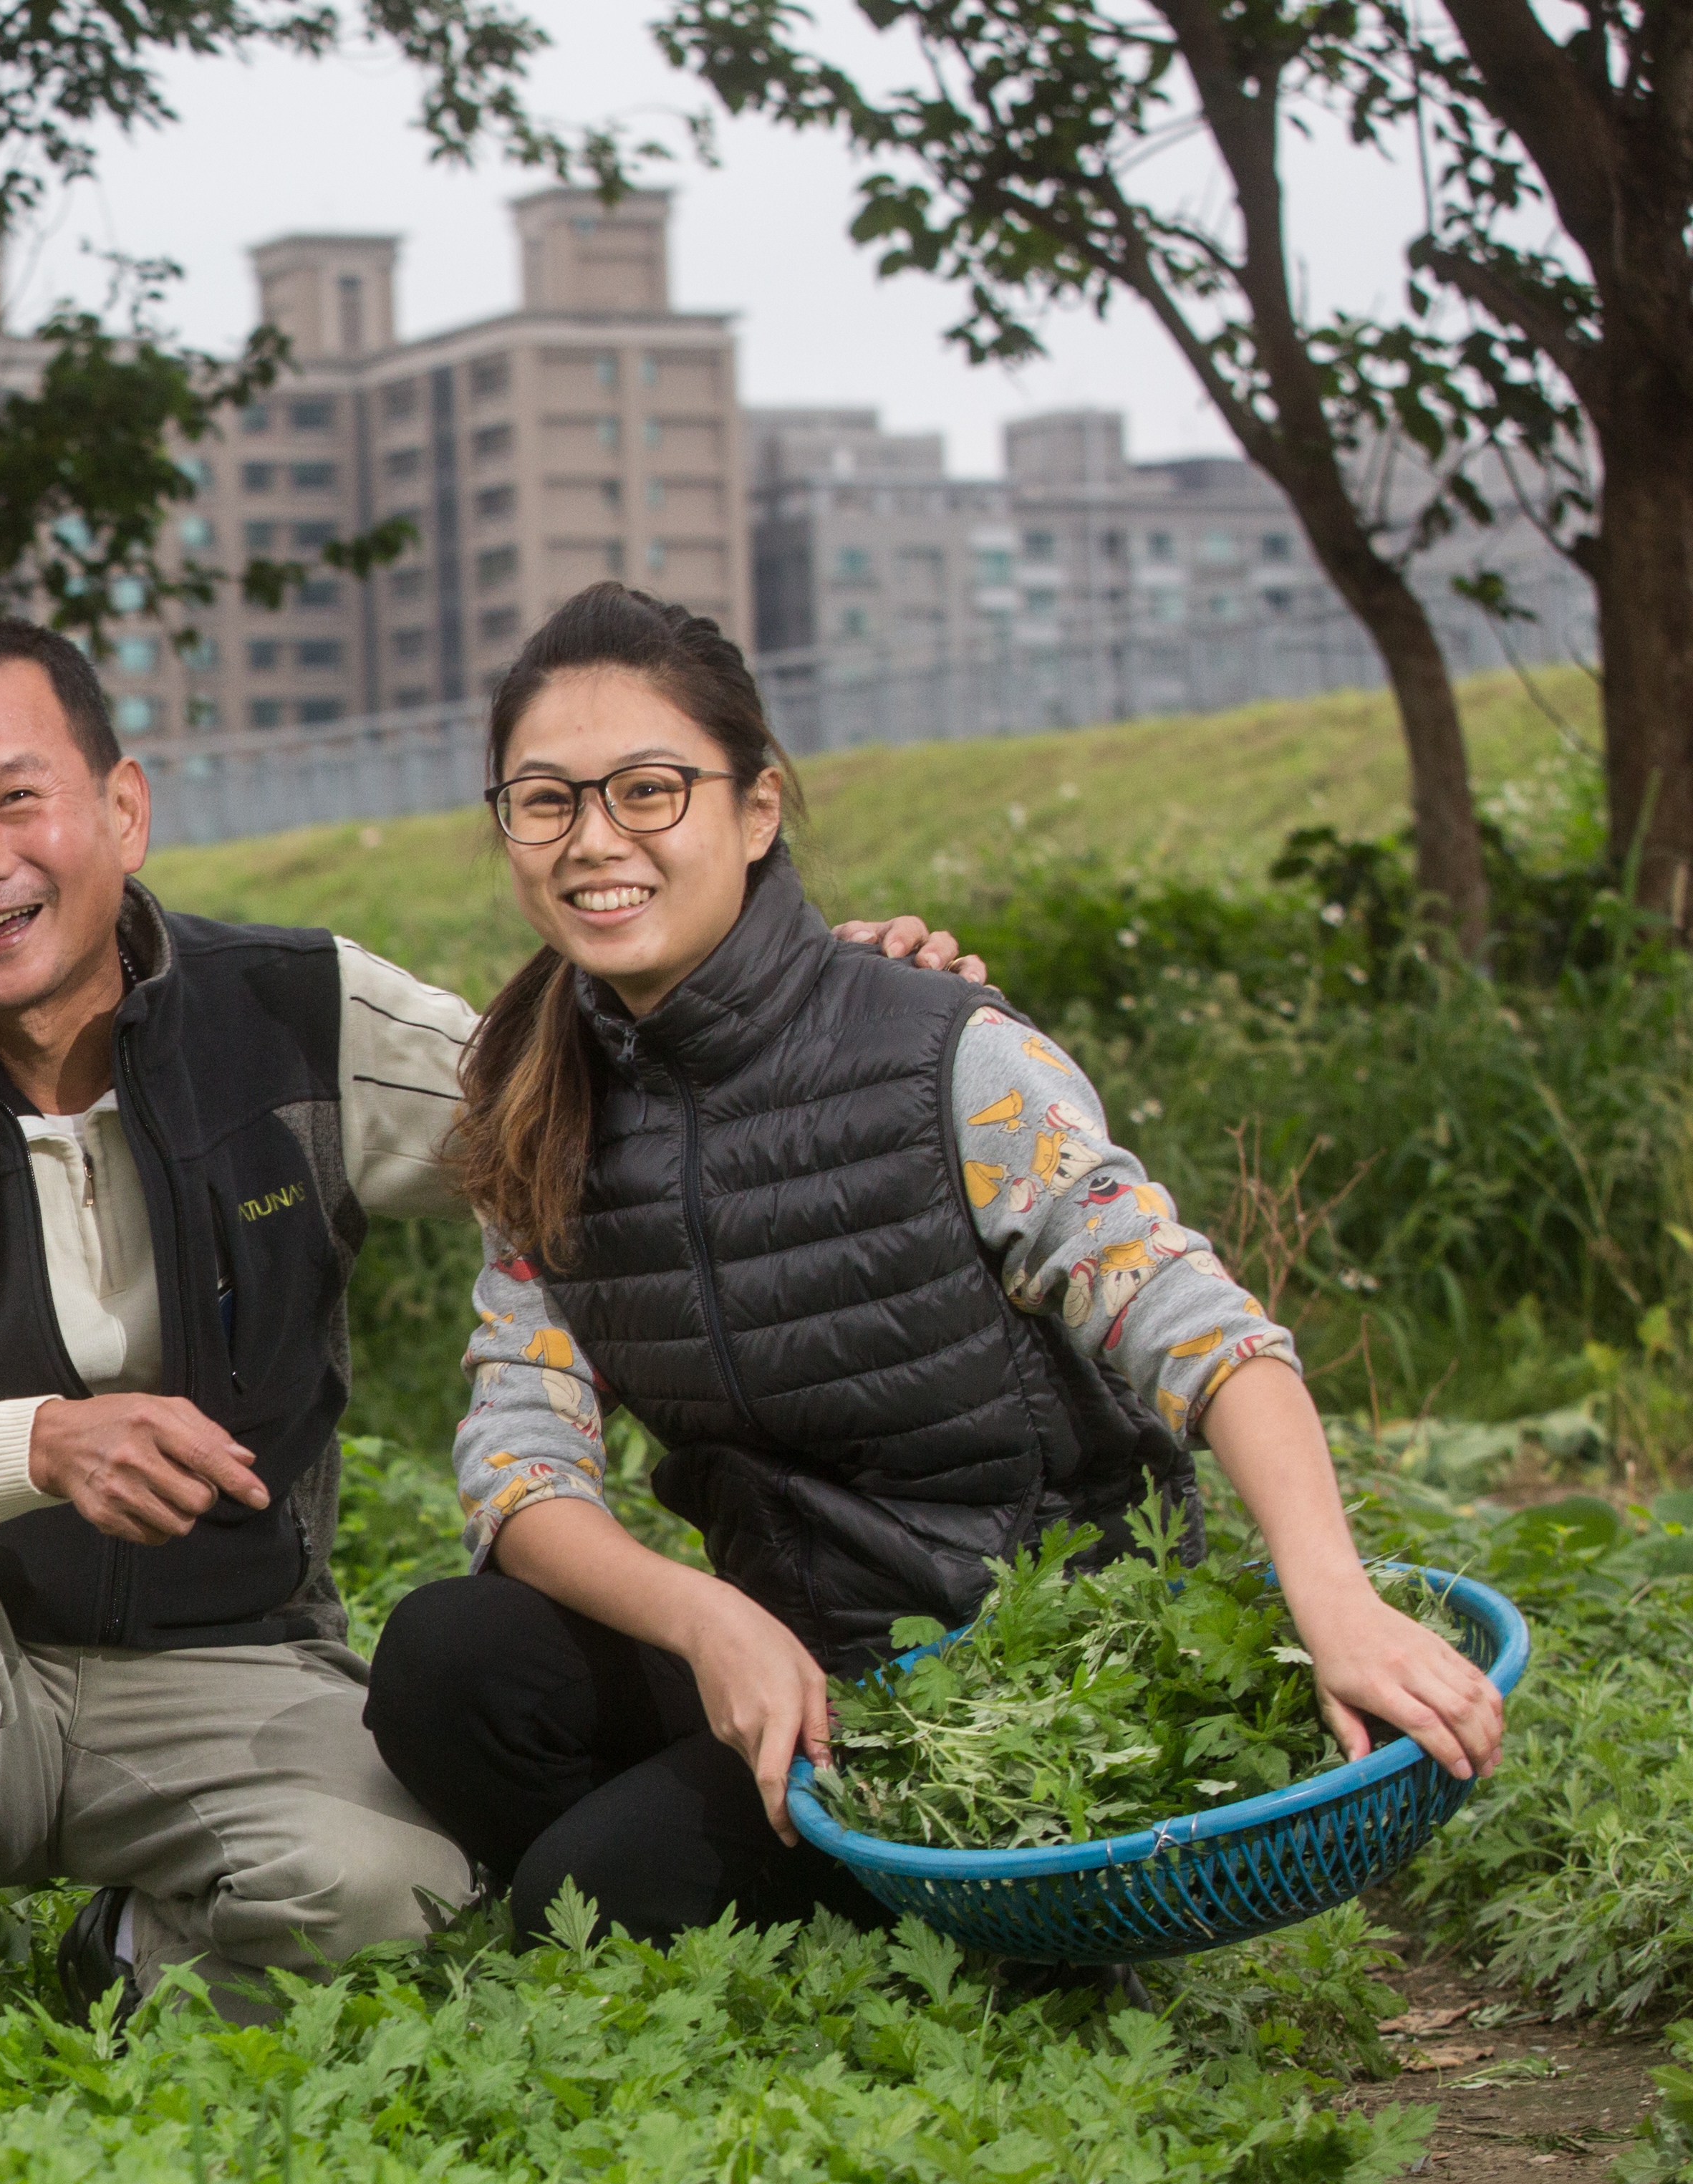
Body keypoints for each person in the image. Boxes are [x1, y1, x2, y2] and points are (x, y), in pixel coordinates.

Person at [0, 612, 985, 2049]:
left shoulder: (297, 1011)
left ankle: (132, 1945)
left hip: (239, 1667)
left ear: (122, 810)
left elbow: (588, 1110)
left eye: (21, 797)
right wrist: (41, 1444)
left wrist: (844, 1003)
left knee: (410, 1899)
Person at [365, 583, 1506, 1943]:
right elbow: (520, 1464)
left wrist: (1338, 1600)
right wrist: (708, 1622)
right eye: (545, 801)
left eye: (650, 790)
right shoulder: (543, 1100)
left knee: (589, 1897)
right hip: (790, 1651)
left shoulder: (939, 1053)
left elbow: (1195, 1325)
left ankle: (958, 1910)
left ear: (758, 810)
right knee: (448, 1661)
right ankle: (789, 1870)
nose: (595, 839)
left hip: (1013, 1665)